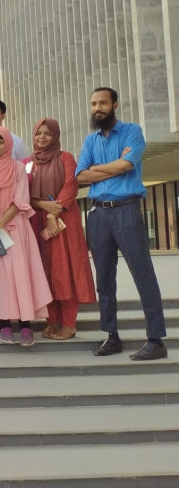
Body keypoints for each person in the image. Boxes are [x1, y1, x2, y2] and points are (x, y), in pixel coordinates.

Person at [76, 87, 168, 360]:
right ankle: (112, 336)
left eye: (103, 103)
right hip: (98, 215)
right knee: (104, 278)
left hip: (127, 210)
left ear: (114, 104)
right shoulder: (90, 140)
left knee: (143, 274)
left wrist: (99, 169)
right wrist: (115, 165)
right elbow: (80, 176)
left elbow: (127, 166)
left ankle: (156, 340)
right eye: (94, 104)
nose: (97, 108)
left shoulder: (132, 132)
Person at [0, 126, 52, 347]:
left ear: (9, 144)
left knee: (20, 273)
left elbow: (20, 201)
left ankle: (25, 325)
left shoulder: (18, 167)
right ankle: (4, 325)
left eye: (0, 142)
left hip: (15, 225)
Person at [26, 117, 96, 340]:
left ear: (55, 136)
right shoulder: (27, 163)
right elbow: (22, 192)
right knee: (45, 272)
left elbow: (70, 187)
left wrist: (52, 214)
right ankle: (52, 321)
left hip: (64, 222)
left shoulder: (65, 158)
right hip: (36, 222)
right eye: (38, 133)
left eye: (47, 133)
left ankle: (68, 324)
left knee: (65, 271)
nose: (42, 137)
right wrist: (41, 205)